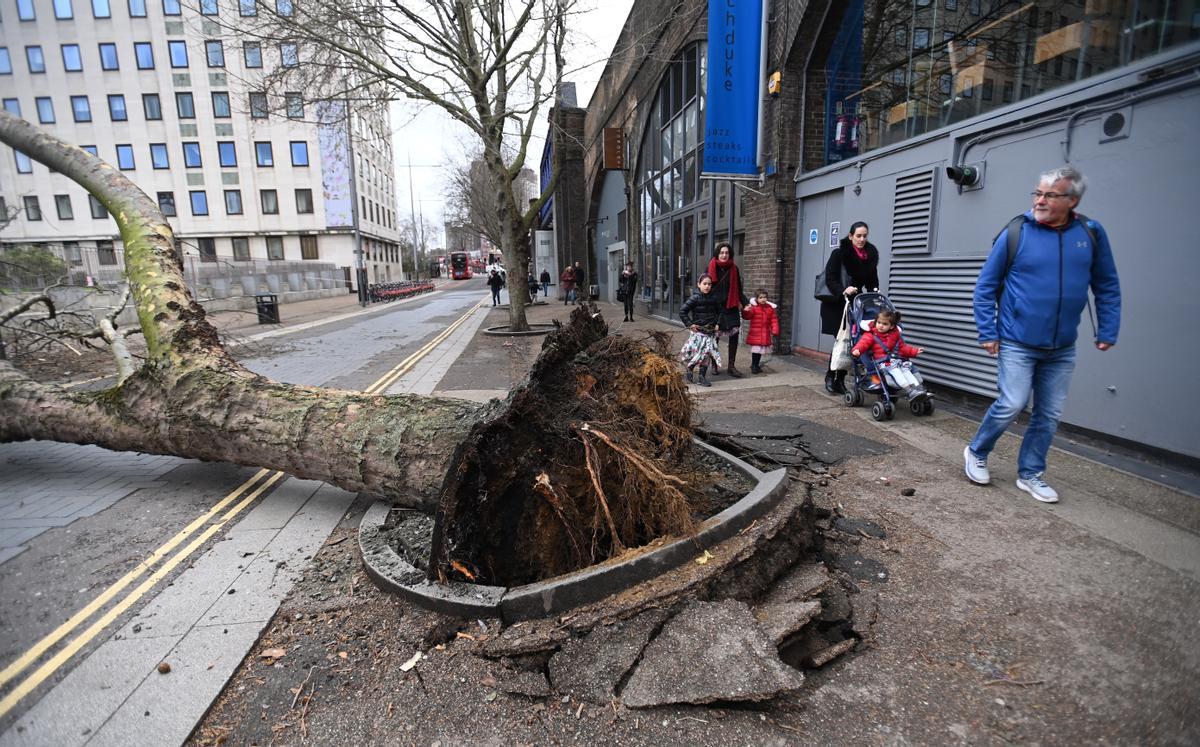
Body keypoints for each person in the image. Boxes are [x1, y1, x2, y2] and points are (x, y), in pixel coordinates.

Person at [964, 165, 1120, 504]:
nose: (1040, 200)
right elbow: (985, 286)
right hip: (1017, 340)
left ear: (1072, 200)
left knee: (1048, 415)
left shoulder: (1091, 233)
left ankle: (1031, 473)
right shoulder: (1017, 232)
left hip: (1062, 345)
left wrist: (1107, 328)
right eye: (1037, 193)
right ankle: (976, 451)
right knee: (1012, 403)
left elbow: (1106, 284)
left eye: (1050, 194)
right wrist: (987, 331)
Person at [821, 221, 880, 394]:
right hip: (837, 304)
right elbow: (830, 278)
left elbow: (872, 281)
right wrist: (843, 289)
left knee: (853, 342)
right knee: (842, 341)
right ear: (851, 236)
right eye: (858, 236)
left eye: (865, 236)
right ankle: (832, 377)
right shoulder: (839, 254)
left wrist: (875, 292)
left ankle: (840, 378)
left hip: (855, 304)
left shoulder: (870, 255)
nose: (862, 239)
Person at [851, 309, 928, 401]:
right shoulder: (870, 335)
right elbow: (863, 343)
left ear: (891, 326)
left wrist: (914, 351)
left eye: (885, 324)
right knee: (896, 371)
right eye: (879, 322)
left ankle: (917, 388)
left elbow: (902, 348)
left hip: (896, 361)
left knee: (906, 370)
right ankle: (908, 390)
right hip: (881, 363)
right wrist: (857, 350)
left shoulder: (895, 335)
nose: (881, 326)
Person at [706, 242, 749, 378]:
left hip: (731, 307)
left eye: (727, 253)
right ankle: (714, 364)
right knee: (715, 338)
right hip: (716, 308)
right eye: (722, 253)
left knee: (734, 336)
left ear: (730, 254)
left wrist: (746, 303)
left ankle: (731, 366)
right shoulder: (710, 267)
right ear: (717, 254)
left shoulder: (734, 269)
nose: (724, 255)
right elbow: (705, 287)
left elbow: (738, 290)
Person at [679, 274, 722, 387]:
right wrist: (690, 324)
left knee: (706, 354)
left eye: (709, 284)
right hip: (698, 332)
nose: (707, 286)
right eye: (704, 284)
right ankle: (690, 369)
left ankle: (702, 377)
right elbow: (682, 311)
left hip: (710, 332)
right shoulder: (695, 298)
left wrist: (718, 323)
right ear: (699, 285)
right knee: (697, 354)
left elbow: (720, 312)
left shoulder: (714, 298)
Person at [741, 288, 779, 375]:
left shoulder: (770, 309)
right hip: (756, 333)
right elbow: (747, 316)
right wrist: (745, 311)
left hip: (765, 333)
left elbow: (774, 320)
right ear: (757, 299)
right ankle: (754, 365)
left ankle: (756, 365)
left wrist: (775, 329)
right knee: (756, 351)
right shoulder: (754, 308)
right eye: (761, 297)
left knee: (760, 351)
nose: (763, 299)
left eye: (765, 297)